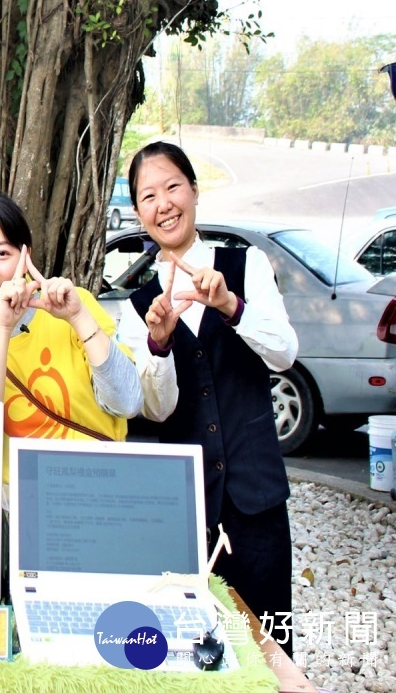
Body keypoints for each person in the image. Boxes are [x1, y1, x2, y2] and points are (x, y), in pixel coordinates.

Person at [117, 141, 297, 656]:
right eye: (148, 195)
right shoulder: (137, 306)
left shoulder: (246, 266)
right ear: (138, 212)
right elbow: (156, 408)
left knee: (271, 647)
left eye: (173, 187)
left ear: (194, 192)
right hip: (186, 507)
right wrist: (159, 344)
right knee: (198, 650)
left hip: (255, 499)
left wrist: (230, 306)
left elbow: (284, 353)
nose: (163, 204)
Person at [0, 194, 141, 456]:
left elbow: (128, 402)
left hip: (99, 484)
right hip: (19, 492)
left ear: (26, 257)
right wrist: (2, 327)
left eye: (2, 253)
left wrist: (78, 317)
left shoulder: (75, 306)